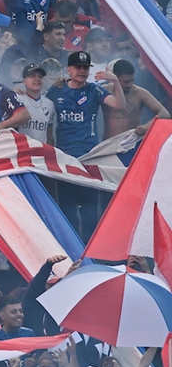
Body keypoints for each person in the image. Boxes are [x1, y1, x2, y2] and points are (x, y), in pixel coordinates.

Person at [47, 52, 125, 237]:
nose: (82, 71)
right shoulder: (56, 90)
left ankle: (90, 249)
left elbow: (119, 105)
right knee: (68, 209)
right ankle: (72, 248)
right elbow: (37, 104)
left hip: (89, 157)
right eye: (78, 67)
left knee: (89, 210)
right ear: (69, 69)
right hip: (64, 158)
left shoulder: (94, 90)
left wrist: (115, 81)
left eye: (85, 67)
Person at [101, 59, 170, 138]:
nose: (129, 85)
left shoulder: (139, 93)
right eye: (126, 81)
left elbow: (164, 113)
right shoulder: (104, 91)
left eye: (132, 80)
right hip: (108, 142)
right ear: (115, 77)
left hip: (131, 141)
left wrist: (147, 126)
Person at [17, 64, 56, 144]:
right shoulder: (17, 99)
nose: (37, 79)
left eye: (40, 76)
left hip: (41, 150)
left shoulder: (49, 104)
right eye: (32, 76)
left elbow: (49, 135)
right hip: (23, 148)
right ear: (23, 81)